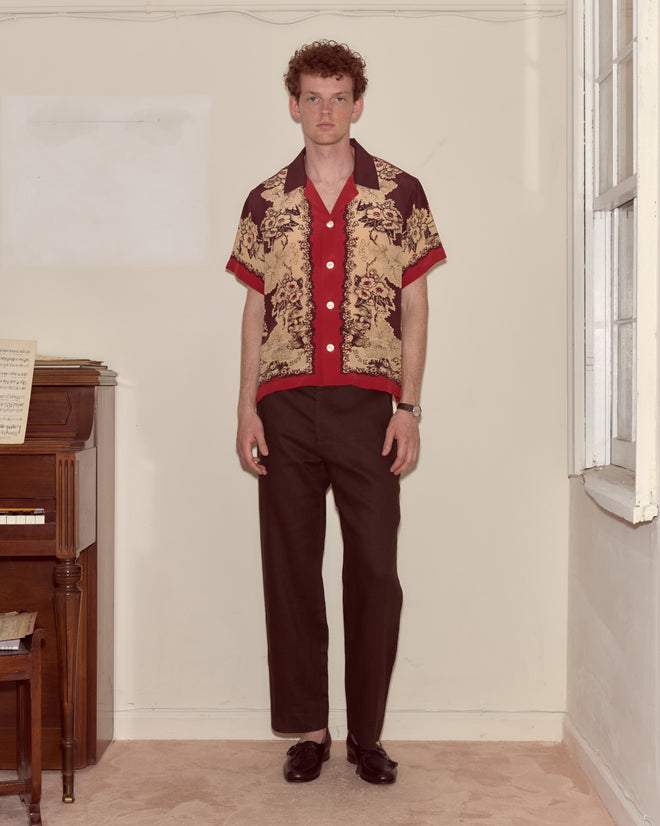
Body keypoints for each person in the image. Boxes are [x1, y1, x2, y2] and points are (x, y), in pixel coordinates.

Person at [227, 39, 446, 785]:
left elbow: (415, 307)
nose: (325, 110)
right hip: (283, 409)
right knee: (290, 570)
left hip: (367, 410)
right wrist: (245, 410)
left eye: (338, 96)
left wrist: (408, 407)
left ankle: (368, 736)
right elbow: (255, 312)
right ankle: (312, 733)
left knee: (374, 572)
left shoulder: (401, 193)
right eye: (311, 97)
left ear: (358, 103)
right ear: (294, 104)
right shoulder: (265, 199)